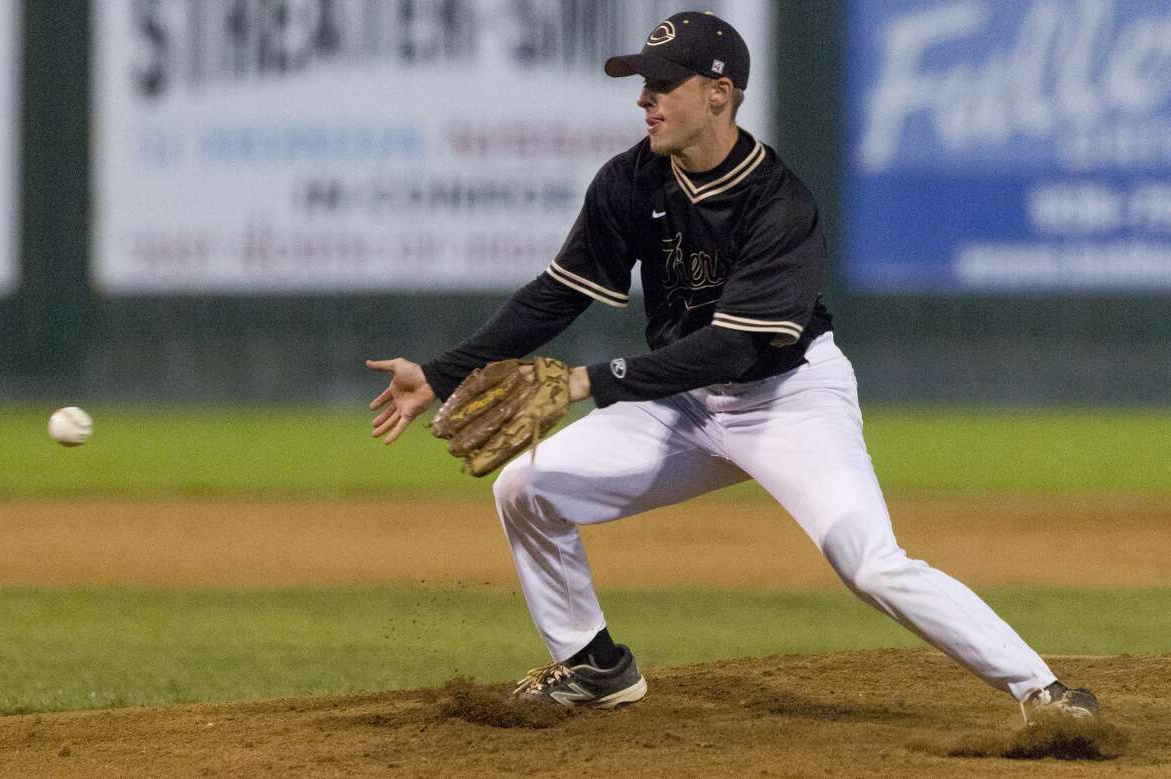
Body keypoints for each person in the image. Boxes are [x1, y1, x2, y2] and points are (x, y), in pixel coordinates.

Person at [366, 11, 1098, 719]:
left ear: (719, 94)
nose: (643, 98)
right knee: (526, 487)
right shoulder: (629, 181)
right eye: (640, 82)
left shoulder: (780, 205)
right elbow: (557, 294)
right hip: (682, 404)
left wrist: (592, 381)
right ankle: (594, 666)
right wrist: (439, 372)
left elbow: (734, 346)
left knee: (868, 561)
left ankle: (1044, 691)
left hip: (788, 399)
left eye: (663, 83)